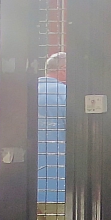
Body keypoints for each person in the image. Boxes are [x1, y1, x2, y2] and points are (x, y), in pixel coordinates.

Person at [38, 53, 66, 208]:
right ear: (63, 69)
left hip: (25, 183)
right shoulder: (64, 93)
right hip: (57, 181)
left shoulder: (27, 91)